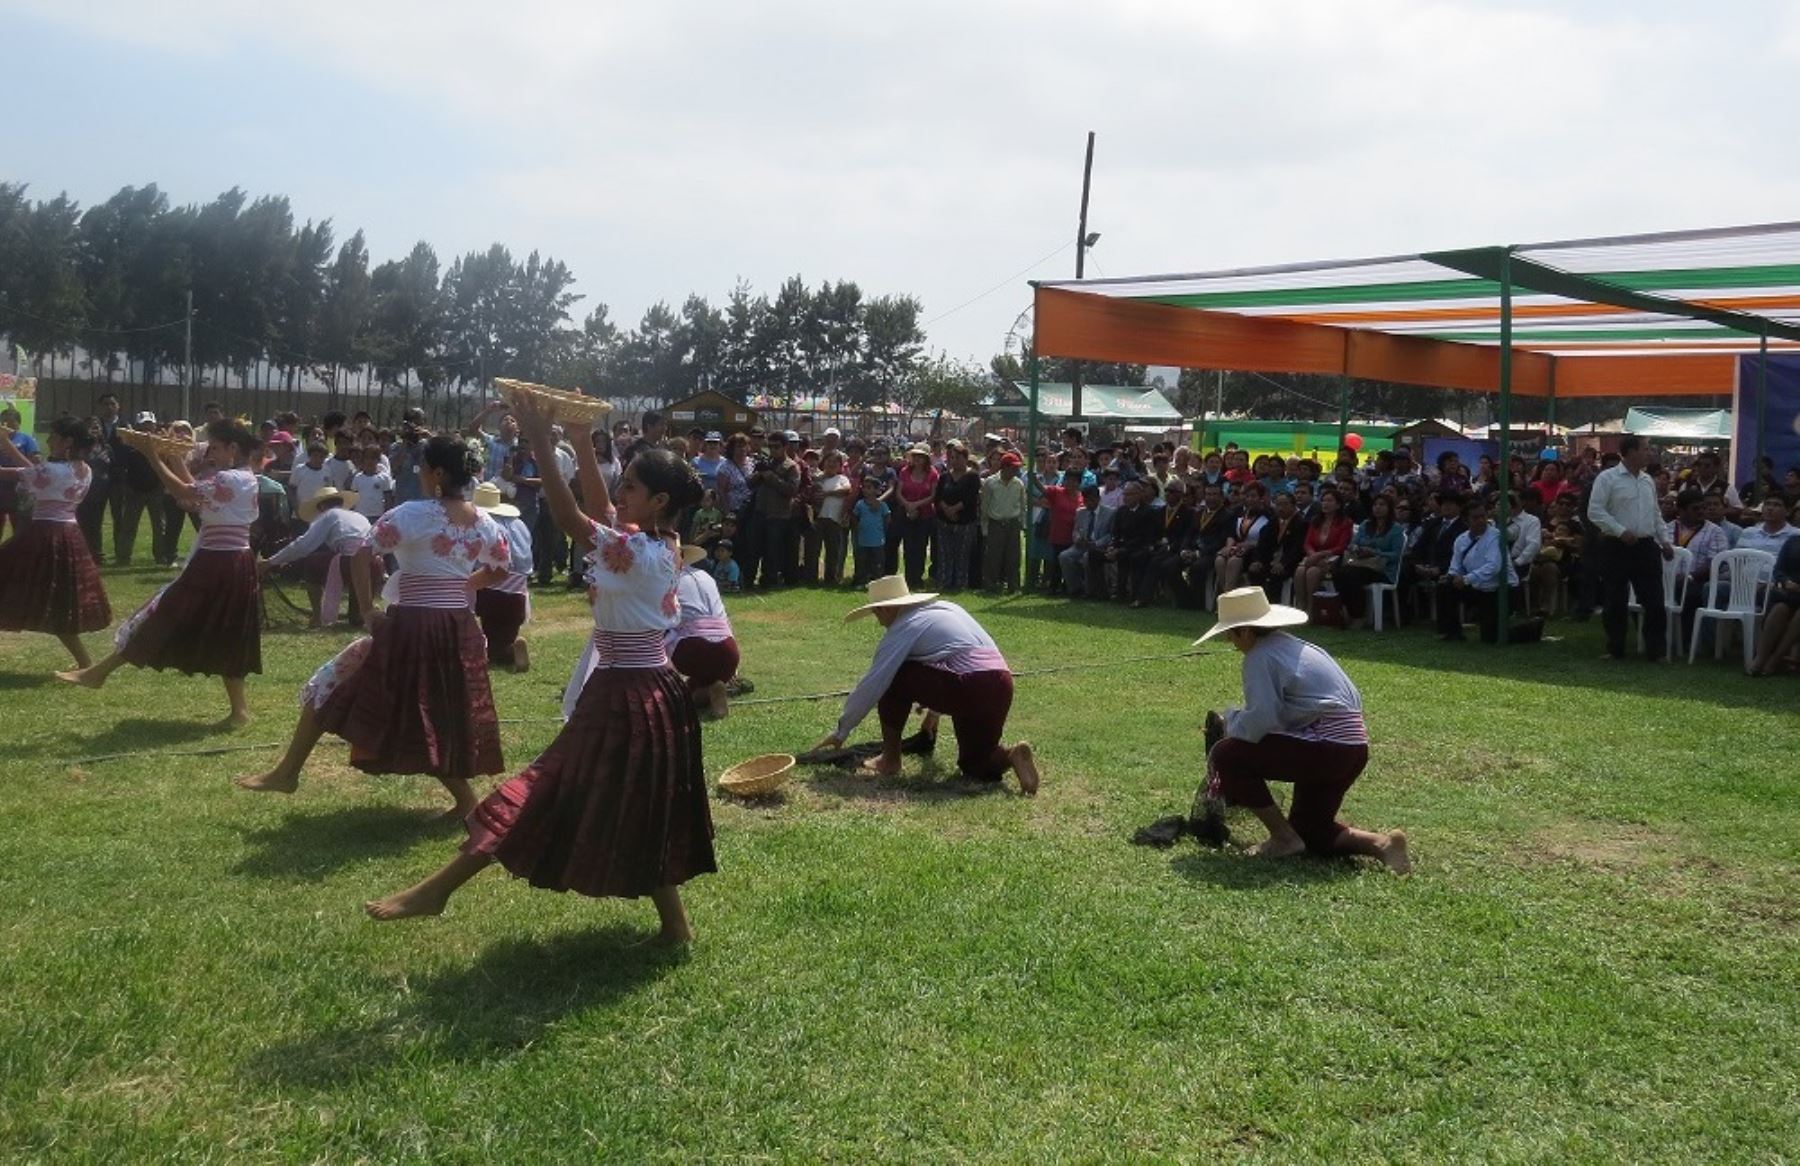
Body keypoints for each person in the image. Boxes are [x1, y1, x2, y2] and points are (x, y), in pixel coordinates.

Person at [368, 401, 715, 943]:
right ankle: (677, 926)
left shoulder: (636, 552)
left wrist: (539, 440)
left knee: (541, 787)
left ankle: (438, 889)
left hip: (630, 693)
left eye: (630, 487)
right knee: (636, 804)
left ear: (660, 501)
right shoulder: (657, 542)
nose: (619, 493)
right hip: (644, 691)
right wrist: (579, 438)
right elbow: (605, 516)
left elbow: (570, 518)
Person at [236, 437, 512, 812]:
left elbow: (362, 553)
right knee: (438, 710)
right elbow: (500, 570)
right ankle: (465, 803)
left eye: (424, 467)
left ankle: (287, 773)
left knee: (335, 683)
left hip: (412, 628)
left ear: (439, 473)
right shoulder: (484, 521)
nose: (419, 473)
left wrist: (367, 610)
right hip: (457, 628)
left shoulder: (413, 514)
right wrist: (462, 585)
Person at [57, 420, 265, 724]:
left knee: (166, 616)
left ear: (233, 449)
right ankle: (239, 711)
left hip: (219, 563)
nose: (210, 453)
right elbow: (193, 491)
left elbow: (184, 490)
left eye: (216, 448)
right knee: (225, 631)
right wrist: (172, 456)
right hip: (226, 562)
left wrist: (154, 456)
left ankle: (97, 673)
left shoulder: (232, 478)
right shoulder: (240, 478)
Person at [1197, 587, 1409, 872]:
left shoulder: (1260, 657)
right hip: (1352, 749)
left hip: (1326, 747)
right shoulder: (1297, 647)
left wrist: (1230, 724)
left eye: (1231, 633)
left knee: (1226, 755)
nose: (1229, 640)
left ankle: (1283, 838)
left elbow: (1263, 719)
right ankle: (1381, 844)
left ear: (1246, 631)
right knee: (1312, 831)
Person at [810, 575, 1039, 795]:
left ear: (886, 609)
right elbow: (954, 656)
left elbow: (874, 683)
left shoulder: (904, 627)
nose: (878, 621)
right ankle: (1011, 755)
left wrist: (841, 732)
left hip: (970, 686)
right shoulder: (948, 609)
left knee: (895, 674)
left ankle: (889, 759)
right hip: (1001, 683)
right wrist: (935, 711)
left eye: (875, 612)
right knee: (975, 764)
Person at [0, 416, 111, 668]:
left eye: (53, 436)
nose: (48, 440)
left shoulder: (52, 470)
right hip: (70, 536)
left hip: (43, 535)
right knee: (61, 602)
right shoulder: (85, 470)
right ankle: (84, 662)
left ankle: (85, 663)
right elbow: (33, 471)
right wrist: (6, 444)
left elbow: (22, 473)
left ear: (67, 441)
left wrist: (6, 443)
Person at [1588, 435, 1674, 661]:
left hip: (1645, 545)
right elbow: (1595, 511)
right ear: (1630, 452)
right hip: (1617, 545)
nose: (1649, 453)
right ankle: (1615, 647)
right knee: (1616, 598)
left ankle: (1655, 650)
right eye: (1645, 449)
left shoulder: (1647, 481)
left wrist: (1664, 540)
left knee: (1654, 599)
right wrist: (1619, 530)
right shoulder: (1608, 478)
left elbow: (1655, 514)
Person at [262, 485, 376, 628]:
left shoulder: (328, 515)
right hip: (373, 563)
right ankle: (359, 613)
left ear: (321, 507)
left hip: (351, 562)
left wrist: (271, 562)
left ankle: (317, 616)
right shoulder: (359, 516)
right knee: (355, 619)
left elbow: (302, 545)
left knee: (312, 562)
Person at [668, 544, 740, 719]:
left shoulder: (666, 580)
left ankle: (703, 692)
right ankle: (709, 690)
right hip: (729, 652)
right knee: (696, 684)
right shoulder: (705, 576)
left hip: (694, 650)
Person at [1437, 496, 1521, 643]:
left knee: (1490, 638)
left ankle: (1525, 631)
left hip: (1500, 590)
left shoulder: (1496, 536)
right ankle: (1453, 632)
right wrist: (1451, 577)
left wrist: (1466, 579)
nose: (1481, 520)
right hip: (1477, 588)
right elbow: (1455, 566)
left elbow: (1494, 567)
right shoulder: (1461, 540)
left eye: (1483, 516)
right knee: (1445, 587)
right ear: (1466, 520)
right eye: (1475, 518)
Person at [472, 480, 535, 674]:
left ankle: (507, 652)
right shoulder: (519, 525)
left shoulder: (484, 526)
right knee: (507, 633)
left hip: (491, 590)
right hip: (518, 592)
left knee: (492, 638)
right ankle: (511, 647)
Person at [1335, 494, 1404, 626]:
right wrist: (1356, 549)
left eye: (1382, 505)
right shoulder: (1366, 525)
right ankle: (1345, 611)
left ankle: (1359, 615)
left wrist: (1373, 552)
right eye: (1375, 504)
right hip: (1360, 563)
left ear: (1389, 508)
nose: (1378, 508)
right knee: (1339, 573)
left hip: (1383, 569)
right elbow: (1353, 543)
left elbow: (1396, 554)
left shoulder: (1396, 530)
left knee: (1352, 574)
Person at [1747, 533, 1800, 676]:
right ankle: (1760, 659)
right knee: (1780, 608)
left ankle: (1774, 659)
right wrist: (1785, 582)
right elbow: (1778, 569)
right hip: (1788, 592)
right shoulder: (1793, 540)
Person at [980, 452, 1026, 593]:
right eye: (1013, 468)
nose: (1016, 471)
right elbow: (985, 506)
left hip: (1013, 523)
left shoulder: (1018, 484)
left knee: (1013, 557)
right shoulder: (990, 482)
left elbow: (1022, 505)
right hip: (996, 523)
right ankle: (990, 585)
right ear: (1004, 467)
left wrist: (1022, 524)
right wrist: (985, 527)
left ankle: (1014, 586)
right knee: (993, 556)